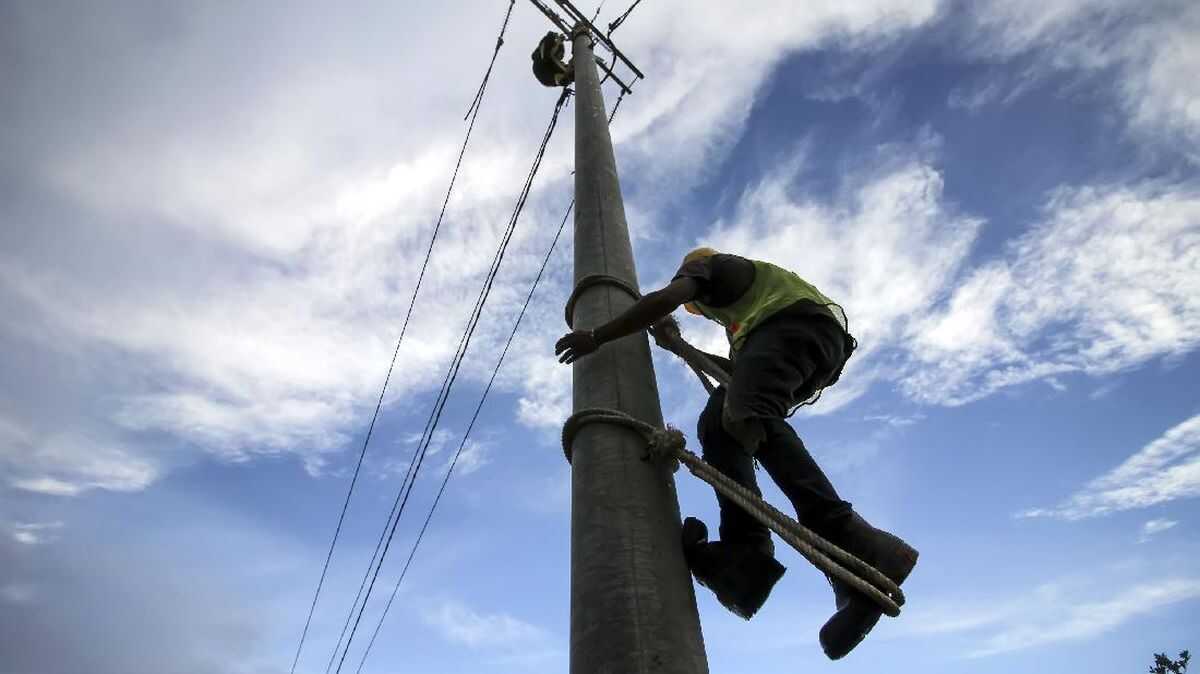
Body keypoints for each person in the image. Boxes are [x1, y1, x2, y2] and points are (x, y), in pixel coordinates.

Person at [555, 247, 918, 660]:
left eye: (693, 302)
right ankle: (746, 557)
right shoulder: (746, 325)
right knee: (720, 422)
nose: (698, 307)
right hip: (806, 343)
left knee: (748, 411)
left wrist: (597, 335)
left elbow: (663, 300)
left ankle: (860, 544)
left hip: (800, 328)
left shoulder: (710, 265)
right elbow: (736, 374)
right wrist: (678, 346)